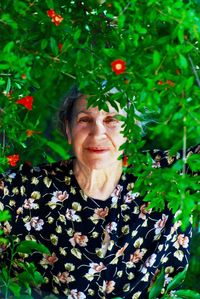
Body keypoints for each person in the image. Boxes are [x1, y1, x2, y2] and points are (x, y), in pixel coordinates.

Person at [0, 85, 198, 299]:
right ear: (68, 130)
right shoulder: (23, 191)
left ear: (131, 130)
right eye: (85, 120)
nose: (98, 132)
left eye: (111, 120)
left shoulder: (170, 176)